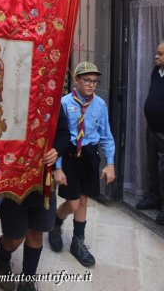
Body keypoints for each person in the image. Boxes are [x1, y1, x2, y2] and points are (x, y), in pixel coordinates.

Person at [0, 108, 70, 291]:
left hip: (42, 181)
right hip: (11, 180)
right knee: (15, 237)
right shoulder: (7, 97)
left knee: (36, 233)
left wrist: (56, 150)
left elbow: (64, 134)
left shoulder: (51, 98)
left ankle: (28, 279)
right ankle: (2, 257)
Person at [48, 62, 115, 267]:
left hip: (89, 156)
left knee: (83, 200)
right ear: (76, 80)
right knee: (73, 203)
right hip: (68, 155)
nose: (91, 85)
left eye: (95, 81)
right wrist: (57, 167)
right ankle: (55, 222)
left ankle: (78, 242)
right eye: (87, 80)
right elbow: (58, 138)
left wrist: (110, 163)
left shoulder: (100, 105)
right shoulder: (64, 103)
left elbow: (106, 136)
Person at [136, 41, 164, 225]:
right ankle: (154, 198)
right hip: (152, 129)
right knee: (153, 167)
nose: (156, 56)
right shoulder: (157, 72)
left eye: (160, 54)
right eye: (156, 53)